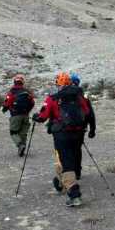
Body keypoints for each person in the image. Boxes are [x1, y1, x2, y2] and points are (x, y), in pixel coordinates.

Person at [33, 72, 96, 207]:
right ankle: (62, 182)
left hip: (62, 135)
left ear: (58, 84)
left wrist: (36, 117)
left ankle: (74, 194)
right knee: (72, 158)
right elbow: (87, 113)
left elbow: (43, 116)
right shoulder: (79, 96)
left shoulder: (53, 98)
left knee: (64, 161)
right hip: (78, 133)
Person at [70, 72, 96, 179]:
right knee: (77, 149)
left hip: (65, 128)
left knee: (67, 149)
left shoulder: (63, 95)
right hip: (80, 128)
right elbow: (90, 114)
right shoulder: (83, 96)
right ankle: (77, 171)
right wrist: (92, 129)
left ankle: (68, 171)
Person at [2, 75, 35, 157]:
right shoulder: (27, 92)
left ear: (14, 82)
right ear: (22, 82)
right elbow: (32, 103)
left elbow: (7, 103)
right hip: (25, 115)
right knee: (23, 133)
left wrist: (4, 109)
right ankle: (22, 149)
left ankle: (20, 145)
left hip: (15, 115)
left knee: (13, 132)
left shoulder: (12, 92)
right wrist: (27, 111)